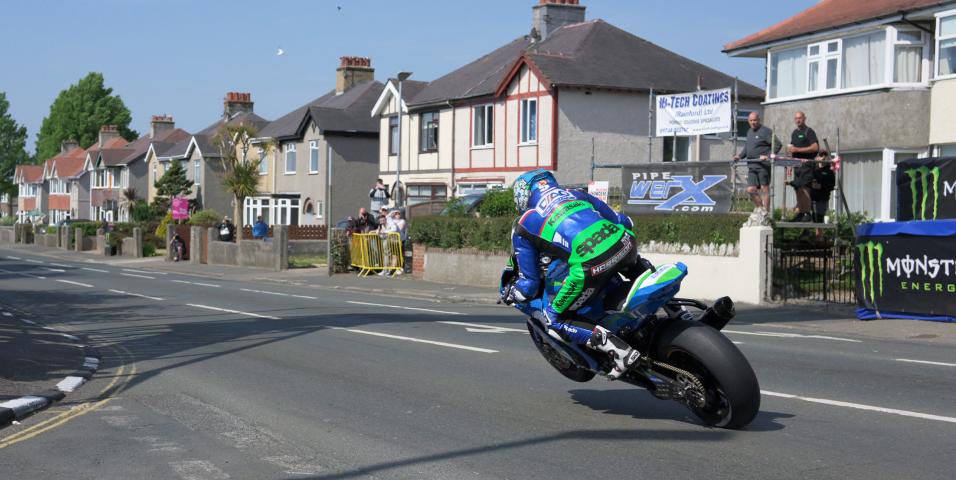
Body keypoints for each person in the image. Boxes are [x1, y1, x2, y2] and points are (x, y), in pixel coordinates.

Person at [502, 169, 646, 379]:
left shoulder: (525, 223)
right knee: (639, 271)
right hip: (626, 244)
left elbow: (530, 284)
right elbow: (623, 221)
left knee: (554, 319)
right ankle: (677, 312)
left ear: (524, 194)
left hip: (590, 266)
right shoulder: (576, 193)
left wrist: (512, 293)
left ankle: (619, 351)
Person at [734, 112, 781, 213]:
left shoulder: (766, 131)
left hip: (763, 165)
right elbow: (747, 147)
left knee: (765, 189)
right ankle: (761, 210)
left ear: (759, 120)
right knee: (750, 189)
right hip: (752, 165)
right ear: (748, 121)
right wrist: (740, 156)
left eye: (754, 120)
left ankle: (766, 214)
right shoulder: (749, 132)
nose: (753, 122)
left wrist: (768, 156)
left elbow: (777, 145)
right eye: (751, 120)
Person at [787, 111, 819, 222]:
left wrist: (798, 150)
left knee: (805, 188)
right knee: (797, 188)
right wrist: (790, 162)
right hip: (796, 165)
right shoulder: (794, 133)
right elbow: (792, 149)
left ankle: (807, 213)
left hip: (806, 165)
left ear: (804, 118)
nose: (798, 120)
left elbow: (815, 147)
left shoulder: (809, 131)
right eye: (796, 118)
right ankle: (801, 213)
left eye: (800, 118)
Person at [809, 151, 836, 223]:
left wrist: (821, 186)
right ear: (817, 157)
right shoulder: (813, 169)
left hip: (822, 199)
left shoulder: (829, 172)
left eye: (825, 155)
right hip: (811, 198)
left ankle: (819, 234)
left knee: (819, 219)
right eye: (821, 155)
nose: (823, 157)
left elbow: (832, 186)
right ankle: (808, 233)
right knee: (810, 219)